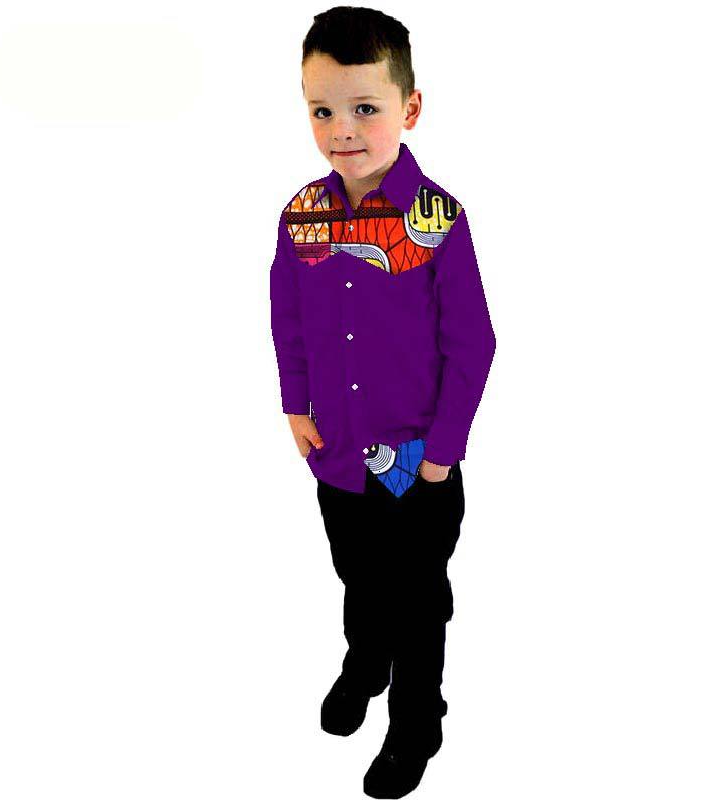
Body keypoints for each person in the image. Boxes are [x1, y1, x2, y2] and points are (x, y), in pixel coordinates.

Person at [269, 7, 496, 798]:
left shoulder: (436, 221)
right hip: (335, 454)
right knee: (358, 575)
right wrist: (297, 404)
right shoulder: (302, 217)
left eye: (365, 107)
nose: (342, 129)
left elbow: (473, 344)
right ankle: (366, 661)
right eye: (322, 109)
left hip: (417, 465)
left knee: (418, 598)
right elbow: (288, 320)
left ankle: (417, 718)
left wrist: (442, 454)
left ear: (410, 107)